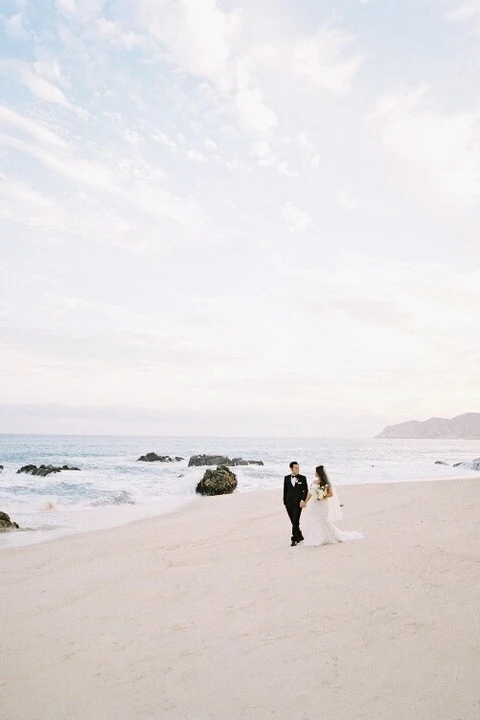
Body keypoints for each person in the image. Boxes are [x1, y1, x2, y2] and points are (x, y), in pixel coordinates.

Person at [303, 465, 364, 546]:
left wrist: (321, 496)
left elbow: (331, 494)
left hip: (323, 504)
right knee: (314, 520)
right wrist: (306, 501)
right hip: (315, 505)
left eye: (316, 471)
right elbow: (310, 493)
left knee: (324, 520)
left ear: (319, 472)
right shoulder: (314, 482)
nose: (315, 473)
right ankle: (316, 538)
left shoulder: (326, 483)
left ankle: (334, 536)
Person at [283, 461, 308, 546]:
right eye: (296, 468)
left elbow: (305, 490)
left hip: (298, 503)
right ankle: (300, 535)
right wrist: (285, 502)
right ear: (291, 469)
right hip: (288, 503)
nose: (298, 470)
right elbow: (285, 490)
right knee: (293, 521)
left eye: (298, 468)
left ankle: (294, 539)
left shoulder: (303, 478)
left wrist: (302, 500)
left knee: (295, 520)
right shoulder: (286, 478)